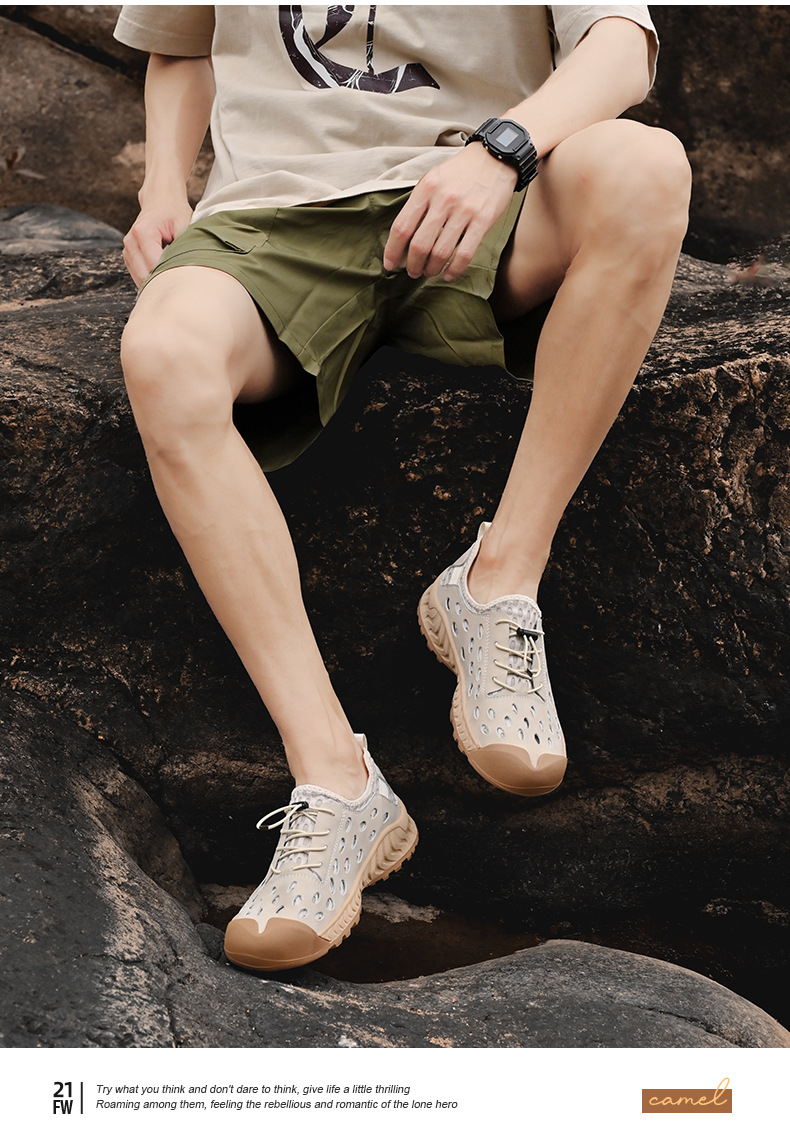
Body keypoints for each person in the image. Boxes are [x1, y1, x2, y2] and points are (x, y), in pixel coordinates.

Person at [114, 4, 690, 972]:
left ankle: (496, 582)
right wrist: (163, 184)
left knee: (649, 168)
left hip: (482, 202)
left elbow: (623, 49)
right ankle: (337, 784)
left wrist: (502, 149)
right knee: (163, 355)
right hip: (273, 216)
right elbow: (180, 38)